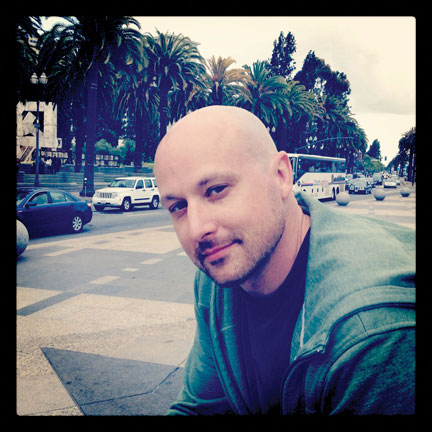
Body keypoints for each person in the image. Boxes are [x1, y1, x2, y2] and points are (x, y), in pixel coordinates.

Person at [154, 105, 415, 415]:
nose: (197, 229)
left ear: (281, 176)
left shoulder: (372, 335)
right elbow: (200, 407)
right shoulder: (217, 277)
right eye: (178, 207)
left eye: (217, 190)